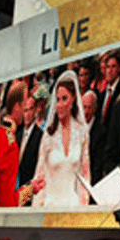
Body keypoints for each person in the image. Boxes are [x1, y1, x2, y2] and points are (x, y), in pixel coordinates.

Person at [32, 70, 90, 207]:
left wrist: (83, 208)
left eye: (65, 98)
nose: (60, 104)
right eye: (57, 100)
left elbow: (85, 177)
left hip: (73, 206)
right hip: (49, 207)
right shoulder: (48, 135)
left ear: (73, 99)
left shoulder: (82, 132)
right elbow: (38, 176)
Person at [0, 81, 44, 207]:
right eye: (24, 105)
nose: (25, 110)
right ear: (17, 106)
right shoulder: (10, 144)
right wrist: (30, 189)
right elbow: (9, 201)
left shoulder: (0, 134)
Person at [16, 96, 43, 187]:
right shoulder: (17, 133)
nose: (27, 114)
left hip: (28, 188)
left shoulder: (40, 136)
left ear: (35, 111)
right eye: (25, 110)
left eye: (30, 110)